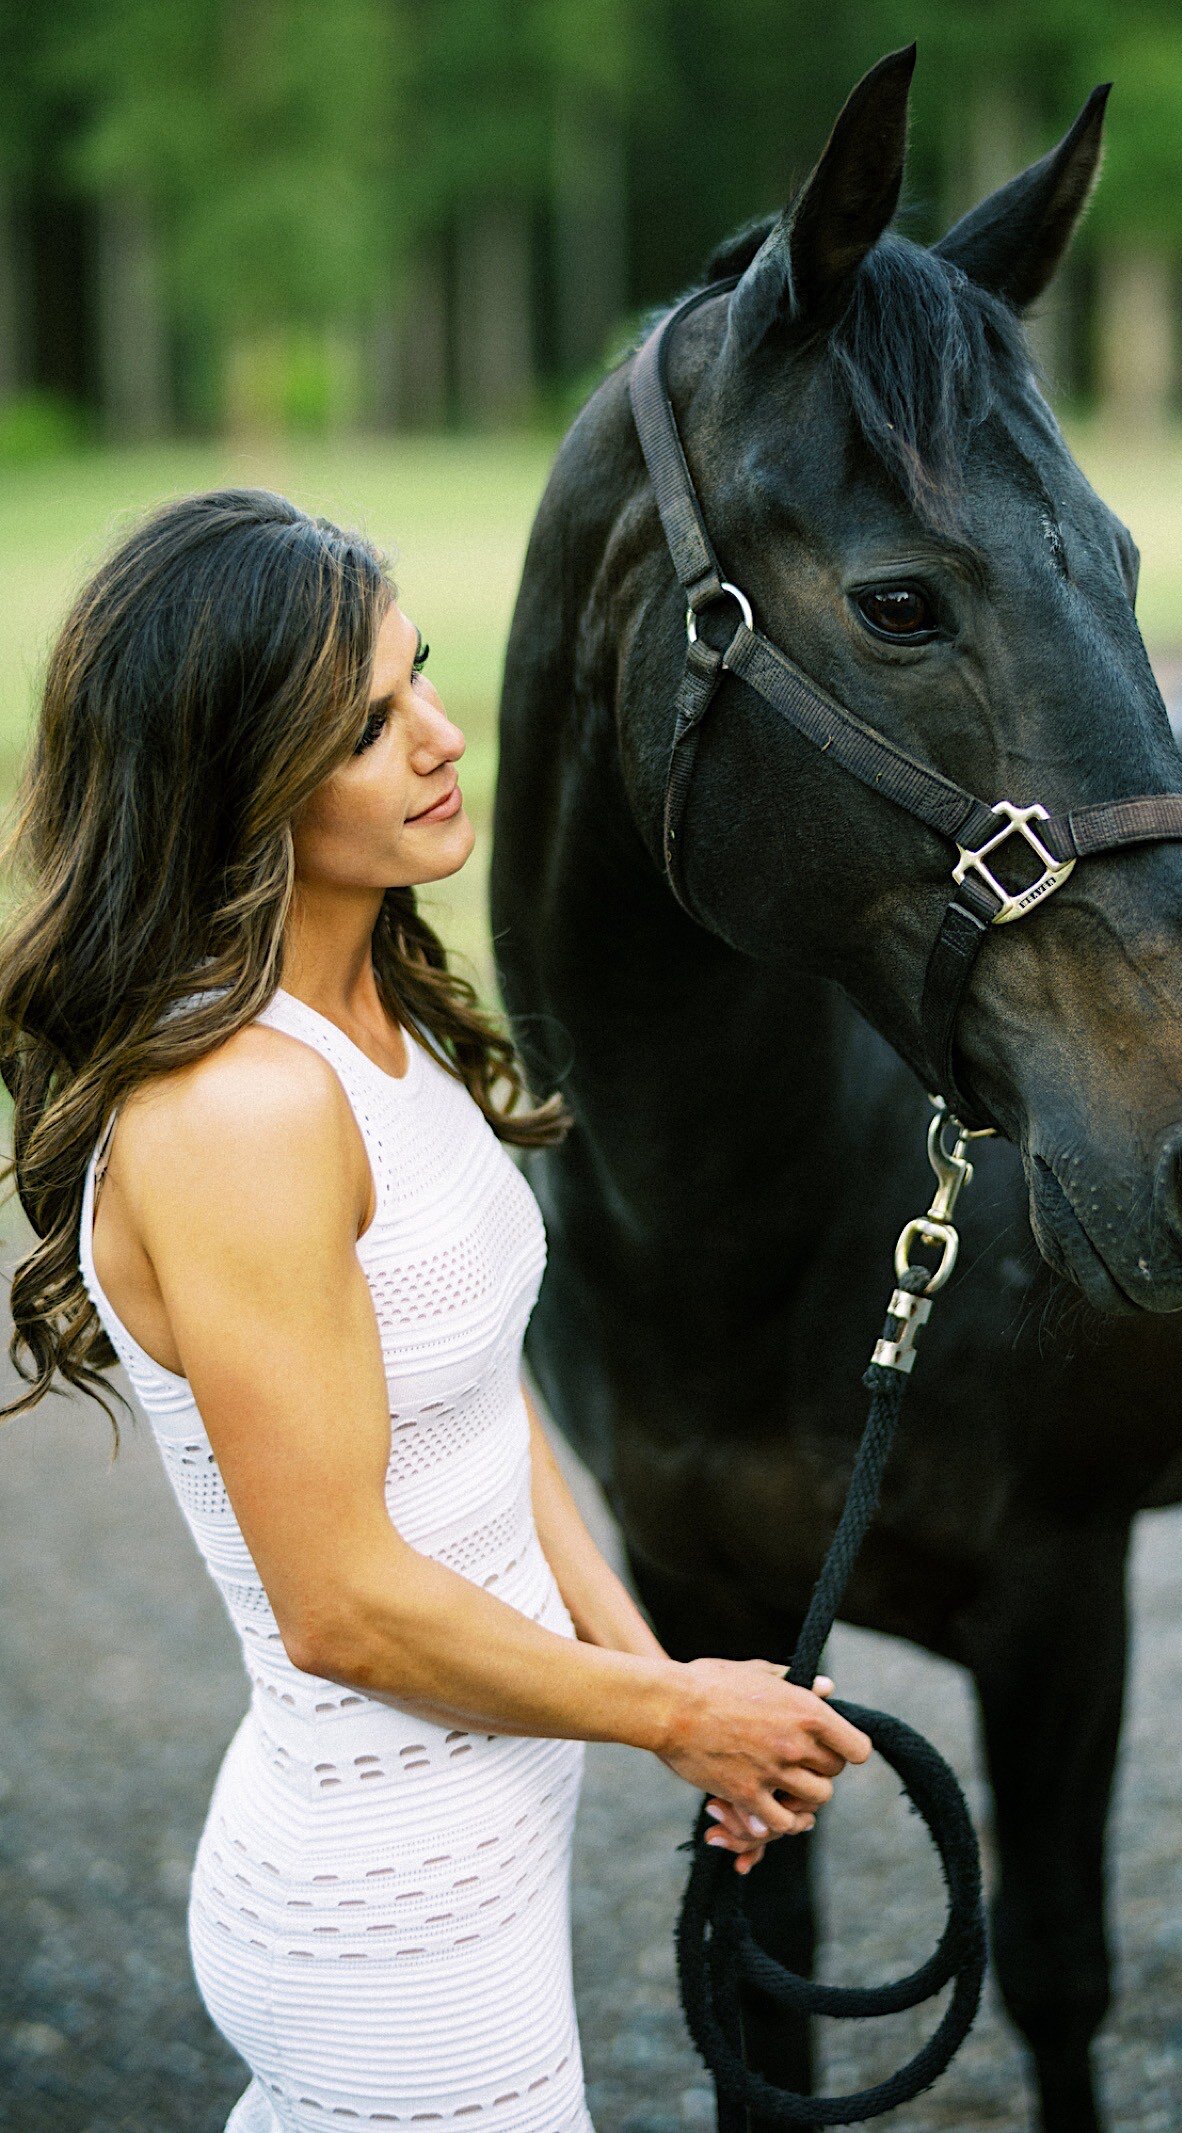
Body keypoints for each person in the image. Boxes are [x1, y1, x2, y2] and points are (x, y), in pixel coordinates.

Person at [0, 488, 873, 2130]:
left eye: (423, 678)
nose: (442, 737)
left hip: (479, 1835)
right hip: (383, 1899)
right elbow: (341, 1603)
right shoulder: (243, 1110)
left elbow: (476, 1407)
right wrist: (680, 1711)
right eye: (367, 726)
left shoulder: (375, 1009)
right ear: (233, 783)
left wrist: (663, 1681)